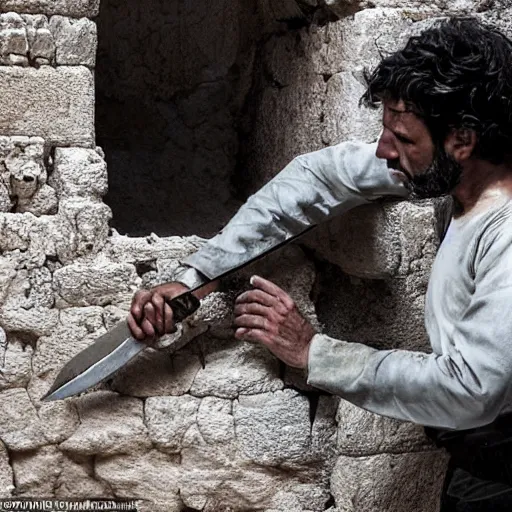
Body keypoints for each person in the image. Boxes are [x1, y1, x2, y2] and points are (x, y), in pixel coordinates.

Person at [127, 17, 512, 511]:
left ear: (463, 139)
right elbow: (318, 179)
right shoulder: (453, 172)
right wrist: (196, 279)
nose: (383, 150)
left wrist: (315, 351)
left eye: (403, 138)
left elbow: (471, 388)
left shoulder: (503, 232)